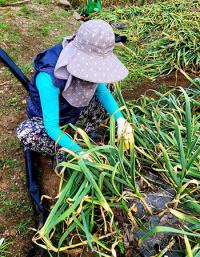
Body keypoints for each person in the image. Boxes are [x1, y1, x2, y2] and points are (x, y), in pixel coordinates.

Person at [16, 19, 133, 228]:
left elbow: (101, 91)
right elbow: (51, 127)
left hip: (75, 113)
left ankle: (82, 134)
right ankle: (64, 151)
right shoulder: (49, 77)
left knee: (108, 86)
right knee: (26, 133)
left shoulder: (89, 68)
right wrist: (80, 151)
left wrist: (121, 119)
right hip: (50, 120)